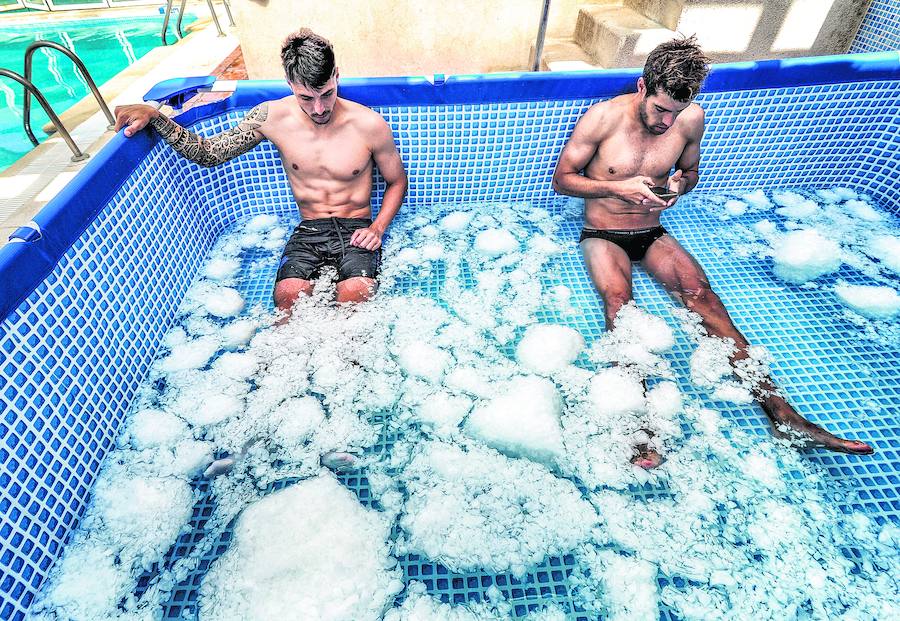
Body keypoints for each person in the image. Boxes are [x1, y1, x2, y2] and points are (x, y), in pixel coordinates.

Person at [552, 36, 873, 468]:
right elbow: (563, 180)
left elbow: (690, 171)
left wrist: (680, 187)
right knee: (619, 303)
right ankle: (639, 427)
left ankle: (784, 416)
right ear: (643, 85)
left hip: (651, 230)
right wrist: (616, 186)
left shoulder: (689, 120)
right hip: (603, 232)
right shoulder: (603, 119)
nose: (667, 122)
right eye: (661, 109)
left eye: (677, 112)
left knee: (702, 295)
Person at [113, 28, 408, 317]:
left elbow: (396, 181)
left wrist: (377, 228)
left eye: (326, 94)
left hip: (356, 228)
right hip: (309, 230)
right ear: (290, 84)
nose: (318, 108)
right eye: (306, 98)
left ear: (336, 76)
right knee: (287, 298)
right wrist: (155, 116)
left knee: (356, 298)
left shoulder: (368, 124)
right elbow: (208, 153)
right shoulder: (271, 116)